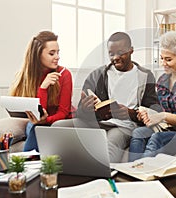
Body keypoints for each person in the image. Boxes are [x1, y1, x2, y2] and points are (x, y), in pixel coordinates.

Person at [52, 32, 159, 163]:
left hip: (124, 126)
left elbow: (153, 111)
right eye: (111, 54)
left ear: (131, 50)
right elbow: (80, 113)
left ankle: (105, 181)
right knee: (58, 126)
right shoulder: (97, 75)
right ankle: (57, 174)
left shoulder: (145, 75)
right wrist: (86, 109)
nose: (116, 58)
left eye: (121, 52)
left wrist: (130, 113)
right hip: (97, 123)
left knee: (111, 143)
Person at [128, 31, 176, 162]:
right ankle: (132, 173)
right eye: (162, 58)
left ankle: (143, 175)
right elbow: (160, 109)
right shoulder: (162, 80)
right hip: (167, 128)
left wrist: (163, 116)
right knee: (138, 133)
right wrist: (147, 114)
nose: (163, 63)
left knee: (157, 138)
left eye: (168, 59)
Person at [9, 31, 74, 152]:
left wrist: (45, 120)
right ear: (37, 55)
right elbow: (37, 113)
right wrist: (43, 88)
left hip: (59, 120)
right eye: (51, 53)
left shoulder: (64, 74)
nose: (57, 57)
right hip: (36, 122)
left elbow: (63, 113)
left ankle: (27, 165)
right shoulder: (25, 76)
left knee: (37, 127)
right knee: (35, 126)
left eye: (58, 52)